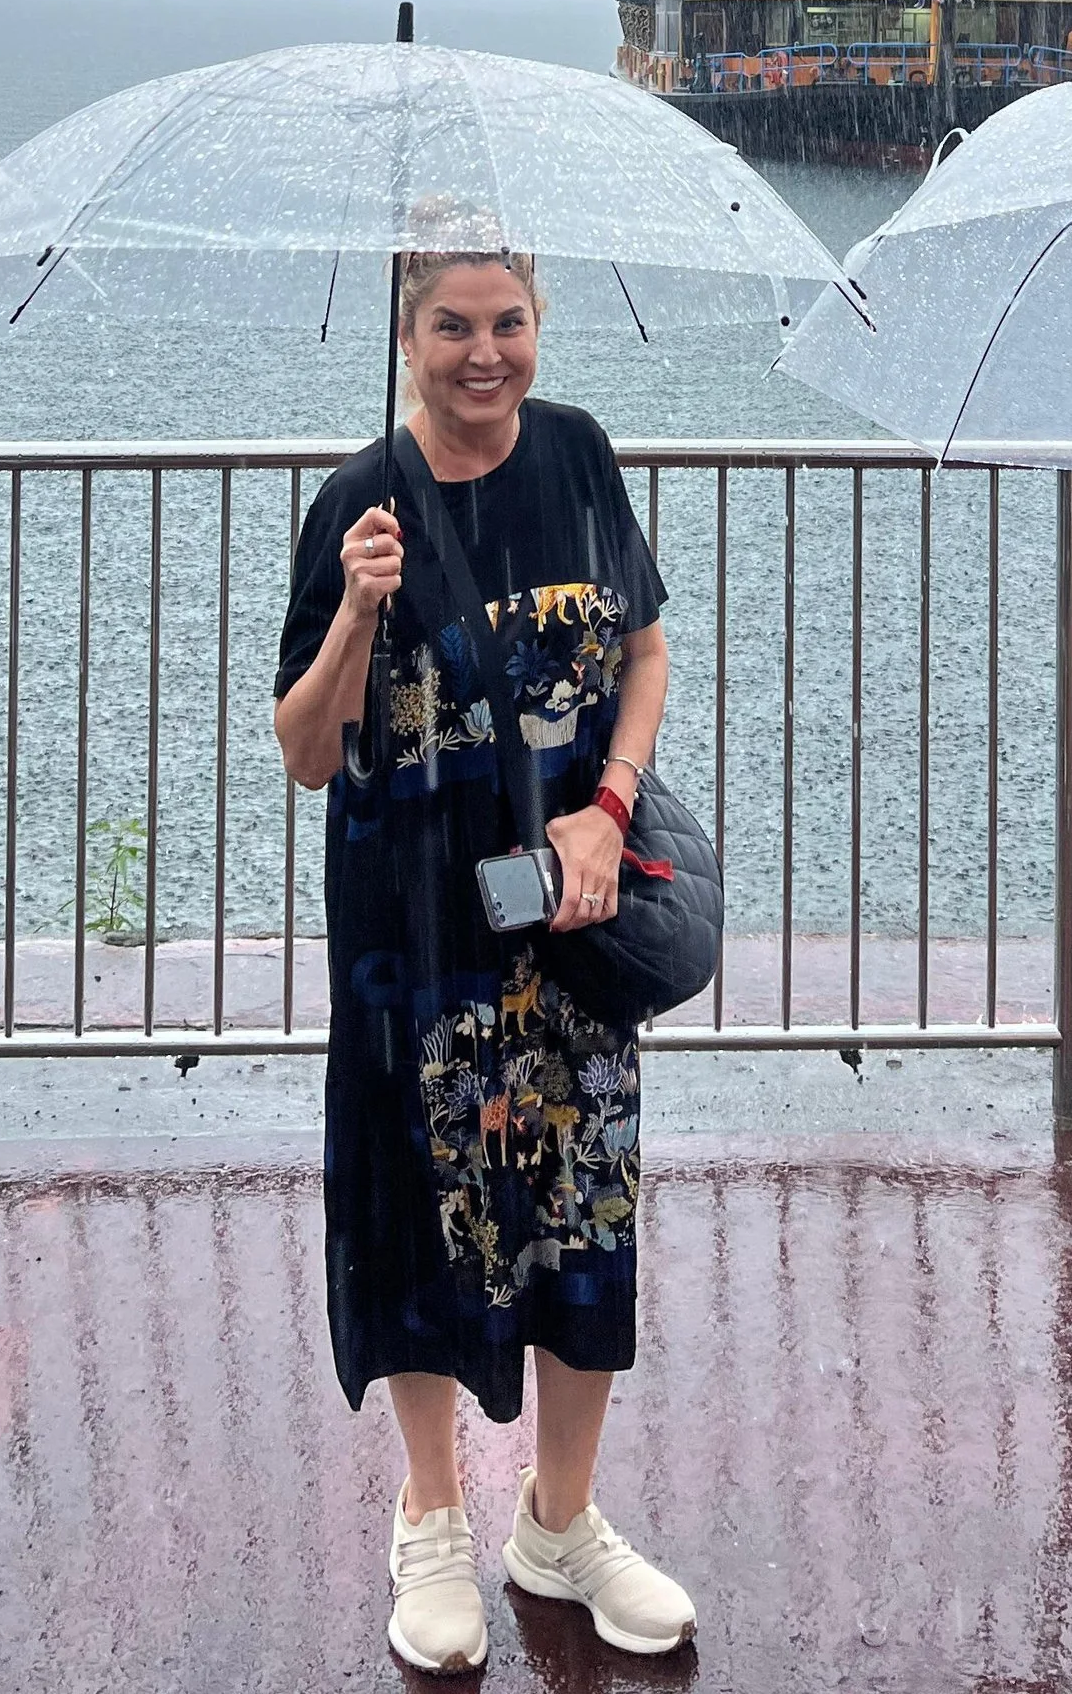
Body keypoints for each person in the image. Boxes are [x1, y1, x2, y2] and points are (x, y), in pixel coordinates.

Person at [274, 249, 696, 1674]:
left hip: (566, 911)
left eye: (507, 322)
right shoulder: (355, 503)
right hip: (410, 930)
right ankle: (434, 1512)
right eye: (451, 325)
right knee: (415, 1210)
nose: (483, 353)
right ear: (407, 338)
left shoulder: (577, 454)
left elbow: (641, 653)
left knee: (583, 1209)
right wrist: (352, 613)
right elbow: (303, 750)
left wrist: (614, 803)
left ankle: (562, 1522)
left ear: (538, 328)